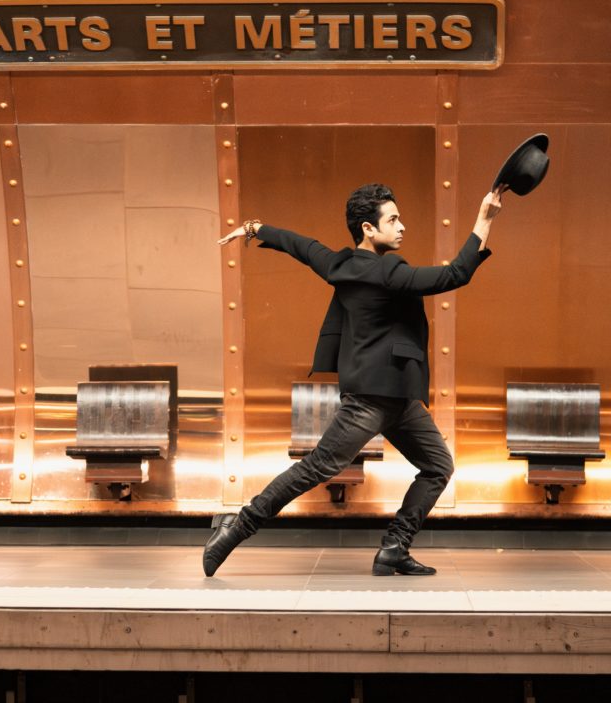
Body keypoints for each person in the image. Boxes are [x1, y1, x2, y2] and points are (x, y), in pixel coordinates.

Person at [203, 182, 505, 578]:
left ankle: (395, 547)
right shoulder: (389, 271)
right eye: (393, 220)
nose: (402, 227)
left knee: (437, 466)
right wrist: (484, 218)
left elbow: (305, 246)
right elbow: (455, 274)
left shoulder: (340, 265)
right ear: (367, 228)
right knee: (317, 468)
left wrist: (256, 228)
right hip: (371, 399)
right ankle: (237, 524)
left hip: (397, 397)